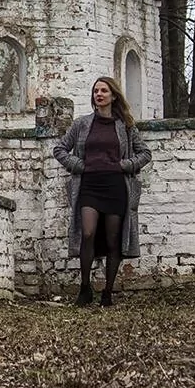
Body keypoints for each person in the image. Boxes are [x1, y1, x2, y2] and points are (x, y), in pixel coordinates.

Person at [52, 77, 151, 307]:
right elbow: (60, 149)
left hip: (115, 186)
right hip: (89, 185)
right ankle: (85, 288)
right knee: (87, 233)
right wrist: (79, 165)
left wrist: (124, 165)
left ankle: (107, 292)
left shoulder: (126, 126)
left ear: (113, 96)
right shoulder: (82, 124)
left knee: (113, 239)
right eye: (96, 91)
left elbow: (145, 153)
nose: (99, 94)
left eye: (104, 91)